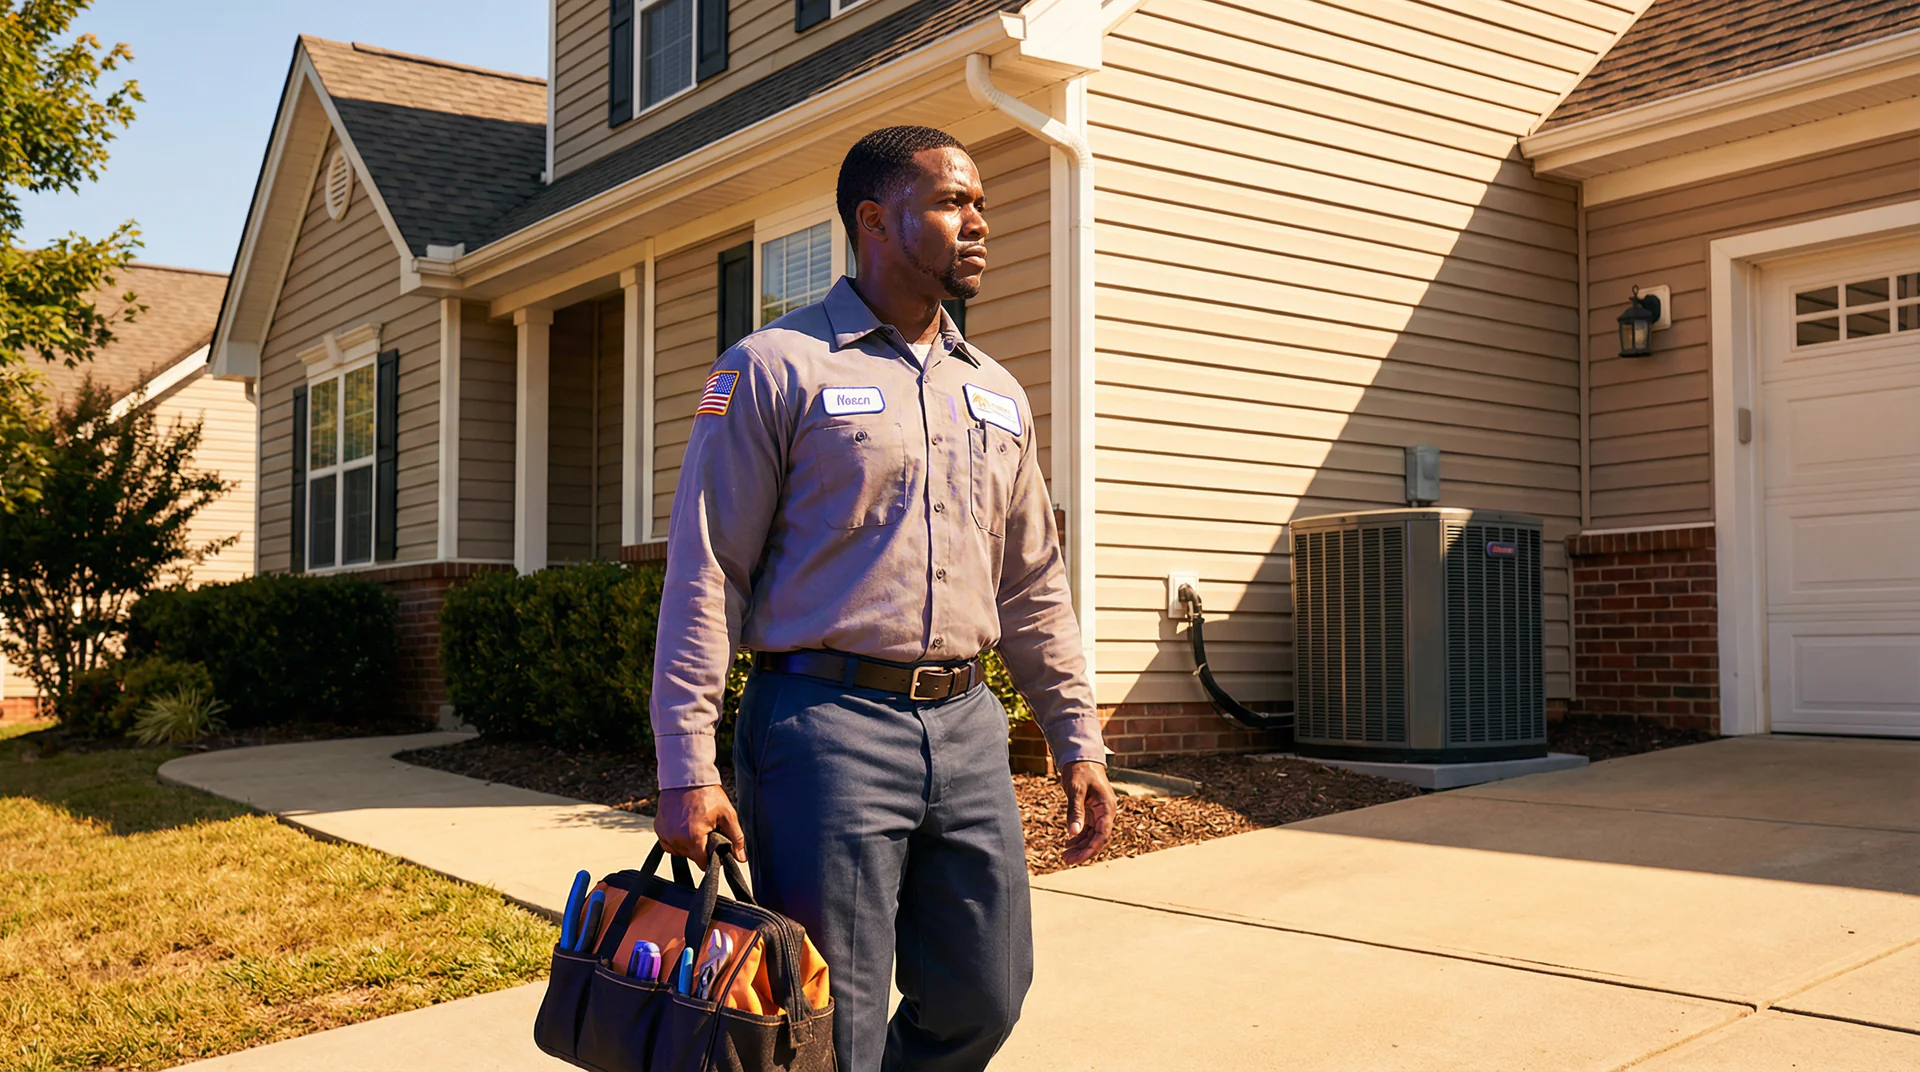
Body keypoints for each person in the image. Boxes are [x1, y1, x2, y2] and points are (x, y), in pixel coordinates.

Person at [649, 124, 1115, 1072]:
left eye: (981, 202)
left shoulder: (996, 393)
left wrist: (1078, 739)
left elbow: (1031, 584)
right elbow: (707, 569)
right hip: (824, 727)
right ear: (875, 219)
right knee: (835, 1018)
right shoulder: (775, 368)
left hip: (969, 725)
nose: (979, 222)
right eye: (953, 202)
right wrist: (685, 765)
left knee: (986, 990)